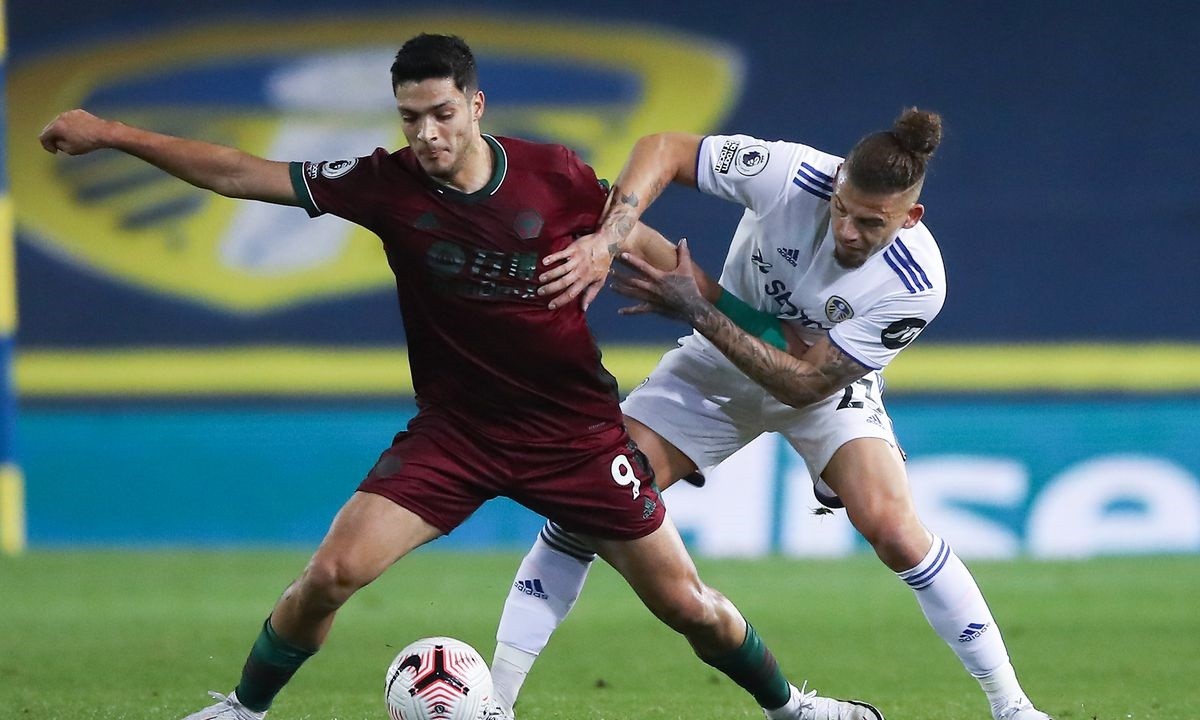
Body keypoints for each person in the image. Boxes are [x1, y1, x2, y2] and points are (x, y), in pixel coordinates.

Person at [39, 34, 885, 720]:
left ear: (476, 106)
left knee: (687, 605)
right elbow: (238, 172)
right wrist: (114, 135)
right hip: (457, 435)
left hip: (576, 437)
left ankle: (793, 708)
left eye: (442, 114)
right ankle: (242, 708)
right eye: (411, 118)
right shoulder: (385, 185)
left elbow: (658, 254)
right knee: (330, 575)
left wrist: (769, 333)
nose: (427, 135)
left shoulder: (555, 176)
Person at [491, 111, 1054, 720]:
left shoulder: (916, 284)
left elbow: (805, 384)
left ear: (910, 217)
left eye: (872, 223)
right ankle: (496, 701)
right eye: (842, 209)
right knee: (585, 506)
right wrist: (611, 238)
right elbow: (665, 146)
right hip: (713, 368)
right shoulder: (790, 174)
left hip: (822, 387)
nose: (848, 231)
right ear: (837, 181)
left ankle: (1013, 707)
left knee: (893, 529)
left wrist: (701, 307)